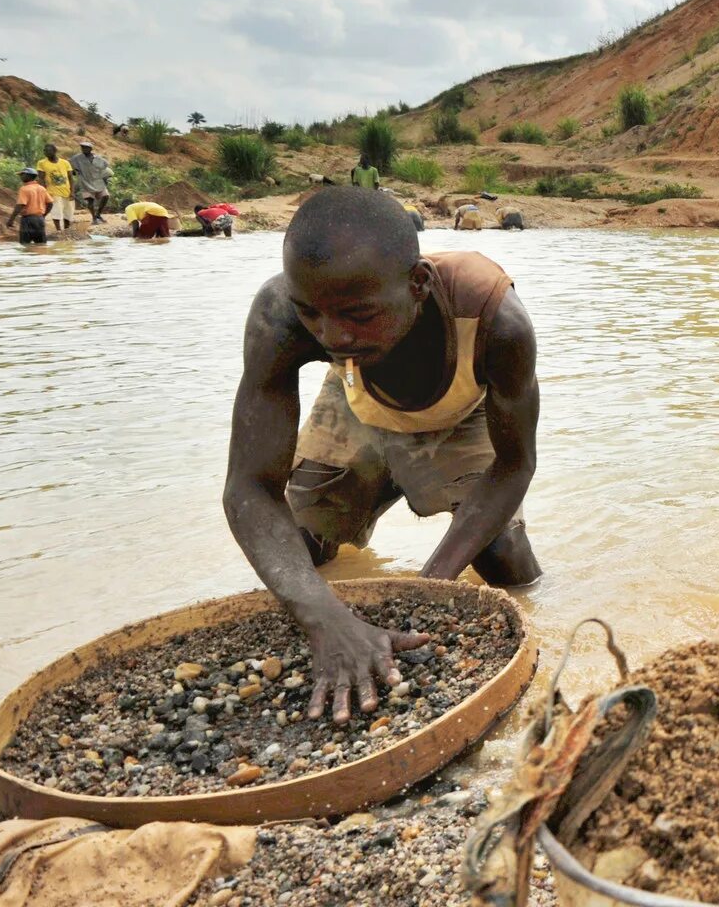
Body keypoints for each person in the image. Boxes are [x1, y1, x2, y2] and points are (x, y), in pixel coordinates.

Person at [224, 188, 541, 720]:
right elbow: (250, 489)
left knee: (506, 566)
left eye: (358, 315)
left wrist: (428, 588)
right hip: (354, 403)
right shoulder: (281, 318)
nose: (332, 335)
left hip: (458, 413)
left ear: (417, 284)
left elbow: (515, 465)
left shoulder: (494, 320)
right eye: (313, 314)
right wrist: (326, 618)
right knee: (300, 555)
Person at [5, 168, 51, 245]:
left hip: (28, 220)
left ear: (28, 176)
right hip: (40, 220)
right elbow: (50, 203)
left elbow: (20, 205)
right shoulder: (42, 188)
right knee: (41, 244)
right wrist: (44, 215)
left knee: (25, 244)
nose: (21, 177)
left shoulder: (24, 189)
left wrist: (11, 220)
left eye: (22, 175)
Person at [37, 144, 75, 232]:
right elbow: (41, 178)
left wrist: (72, 191)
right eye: (44, 151)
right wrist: (44, 192)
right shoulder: (42, 163)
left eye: (48, 150)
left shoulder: (65, 163)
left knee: (68, 212)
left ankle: (67, 229)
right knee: (56, 211)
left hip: (66, 191)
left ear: (54, 151)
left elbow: (70, 178)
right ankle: (58, 230)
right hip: (53, 192)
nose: (46, 153)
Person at [72, 139, 112, 223]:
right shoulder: (77, 158)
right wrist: (75, 171)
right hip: (86, 182)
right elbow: (71, 167)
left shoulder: (97, 158)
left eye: (86, 148)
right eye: (82, 147)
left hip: (97, 181)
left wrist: (105, 178)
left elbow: (104, 167)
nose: (84, 149)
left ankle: (98, 214)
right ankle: (94, 218)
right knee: (90, 200)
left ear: (90, 149)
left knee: (106, 196)